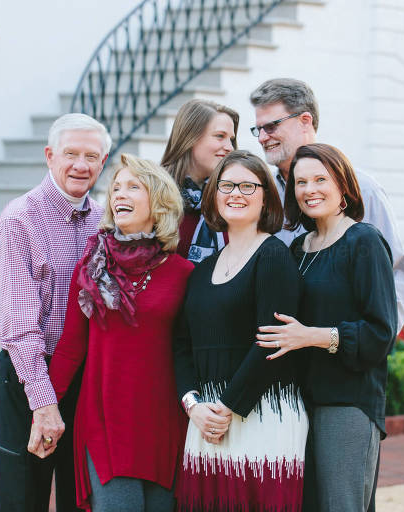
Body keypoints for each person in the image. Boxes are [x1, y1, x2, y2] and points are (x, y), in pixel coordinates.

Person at [47, 154, 194, 512]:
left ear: (158, 201)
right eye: (115, 188)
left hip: (164, 425)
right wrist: (44, 407)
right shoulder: (92, 267)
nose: (119, 195)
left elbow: (188, 351)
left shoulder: (184, 272)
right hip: (105, 421)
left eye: (133, 187)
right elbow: (70, 347)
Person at [255, 143, 397, 512]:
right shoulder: (299, 248)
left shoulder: (364, 242)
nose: (309, 189)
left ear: (343, 186)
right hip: (300, 401)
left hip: (347, 401)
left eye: (321, 179)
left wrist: (313, 336)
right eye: (301, 182)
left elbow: (380, 334)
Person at [0, 113, 110, 512]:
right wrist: (43, 403)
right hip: (28, 381)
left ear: (103, 161)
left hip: (85, 383)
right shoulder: (19, 220)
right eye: (71, 154)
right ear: (49, 155)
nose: (81, 165)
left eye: (91, 156)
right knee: (24, 502)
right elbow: (20, 328)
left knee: (82, 501)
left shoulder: (106, 221)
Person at [174, 150, 308, 511]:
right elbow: (181, 345)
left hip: (262, 412)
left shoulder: (274, 257)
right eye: (227, 185)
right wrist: (193, 406)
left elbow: (272, 342)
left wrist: (228, 407)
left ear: (266, 196)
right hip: (206, 418)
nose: (236, 193)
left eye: (248, 186)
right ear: (213, 196)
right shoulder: (201, 271)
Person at [249, 78, 404, 331]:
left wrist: (369, 348)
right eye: (257, 129)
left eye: (271, 126)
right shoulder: (261, 193)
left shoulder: (362, 188)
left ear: (305, 121)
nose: (262, 138)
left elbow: (397, 279)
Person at [160, 98, 238, 263]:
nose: (230, 147)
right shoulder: (155, 195)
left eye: (231, 139)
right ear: (190, 138)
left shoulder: (233, 197)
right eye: (220, 136)